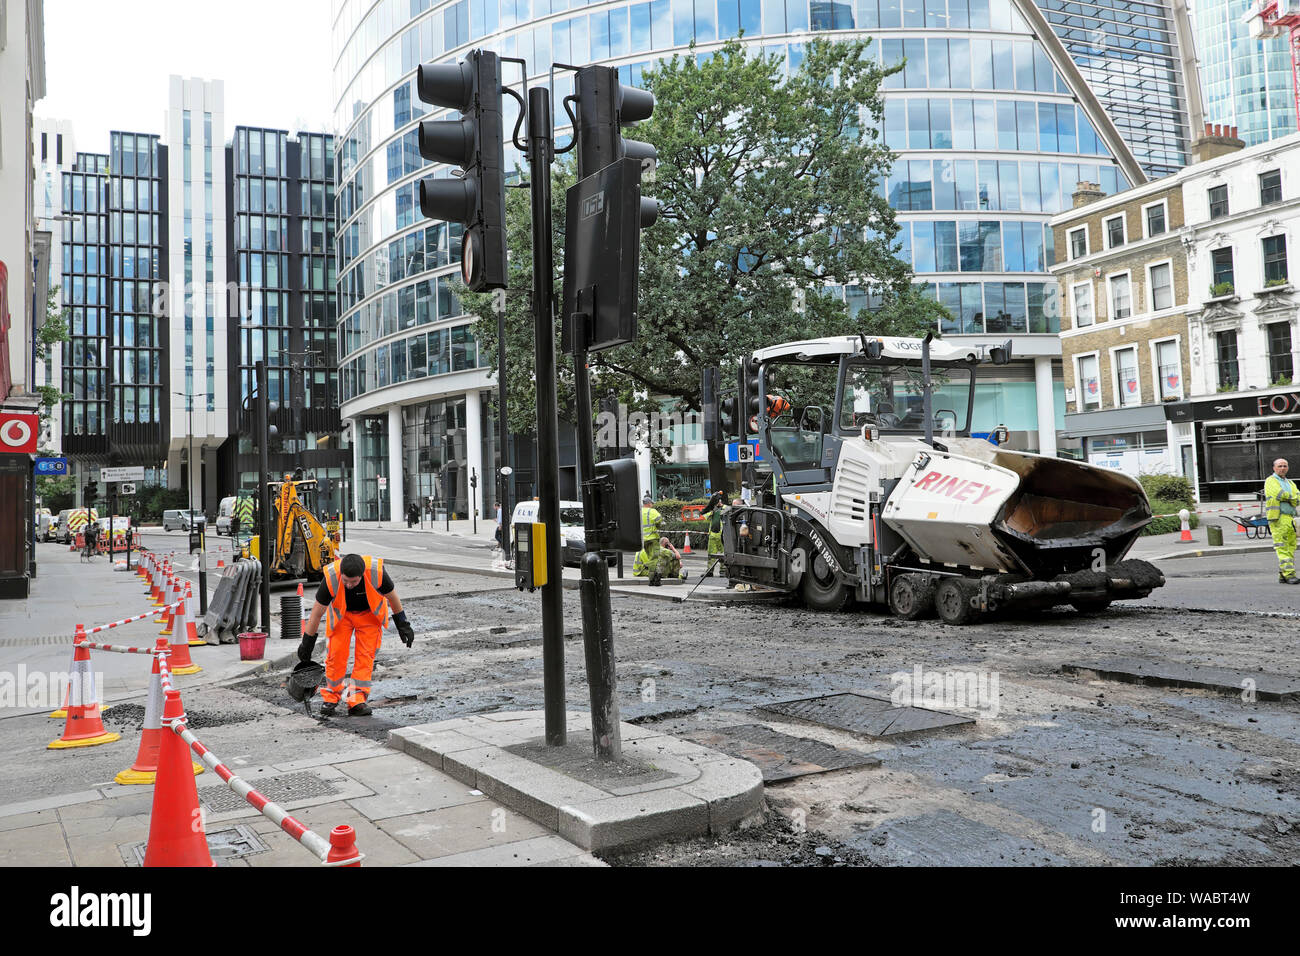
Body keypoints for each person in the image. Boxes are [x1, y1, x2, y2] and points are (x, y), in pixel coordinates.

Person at [298, 553, 416, 716]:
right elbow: (317, 613)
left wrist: (403, 624)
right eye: (345, 580)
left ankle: (356, 699)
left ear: (362, 575)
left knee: (365, 656)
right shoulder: (331, 578)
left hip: (369, 615)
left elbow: (393, 598)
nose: (348, 585)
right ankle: (331, 697)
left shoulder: (376, 572)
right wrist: (307, 642)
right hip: (342, 615)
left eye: (354, 581)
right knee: (335, 654)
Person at [1265, 458, 1300, 584]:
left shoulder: (1290, 483)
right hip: (1278, 518)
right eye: (1280, 466)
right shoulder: (1270, 480)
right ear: (1274, 468)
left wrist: (1291, 498)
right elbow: (1279, 494)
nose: (1282, 468)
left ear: (1288, 468)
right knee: (1282, 547)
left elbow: (1298, 498)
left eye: (1285, 466)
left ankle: (1283, 575)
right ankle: (1289, 574)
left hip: (1290, 519)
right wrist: (1293, 498)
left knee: (1291, 546)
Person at [634, 492, 667, 585]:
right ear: (648, 504)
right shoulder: (652, 511)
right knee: (654, 558)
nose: (652, 505)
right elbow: (659, 520)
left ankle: (653, 578)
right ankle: (653, 580)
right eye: (651, 503)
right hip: (653, 538)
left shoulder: (638, 512)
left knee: (650, 558)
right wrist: (658, 526)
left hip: (643, 540)